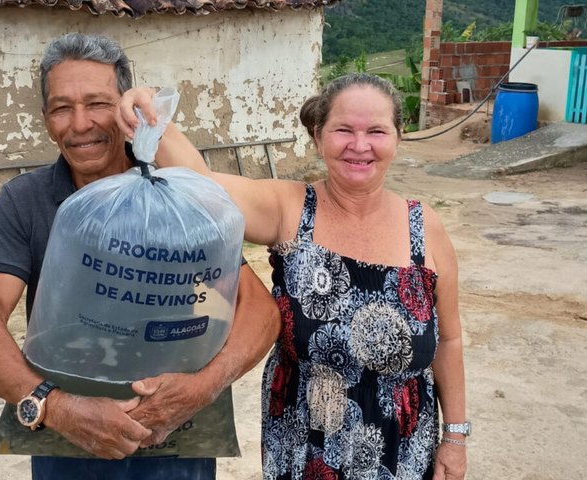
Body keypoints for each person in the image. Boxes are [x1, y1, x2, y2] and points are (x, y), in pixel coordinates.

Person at [0, 32, 280, 480]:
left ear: (126, 106)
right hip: (67, 442)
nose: (80, 124)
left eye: (98, 103)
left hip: (177, 441)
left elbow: (259, 311)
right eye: (61, 108)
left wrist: (202, 386)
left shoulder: (174, 195)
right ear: (46, 117)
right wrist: (58, 407)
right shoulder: (26, 200)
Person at [119, 73, 469, 479]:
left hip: (404, 448)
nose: (360, 145)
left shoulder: (424, 228)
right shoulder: (289, 209)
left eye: (376, 130)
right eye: (343, 130)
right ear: (318, 137)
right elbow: (202, 185)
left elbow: (449, 338)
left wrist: (456, 438)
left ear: (397, 137)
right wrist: (150, 110)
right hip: (305, 445)